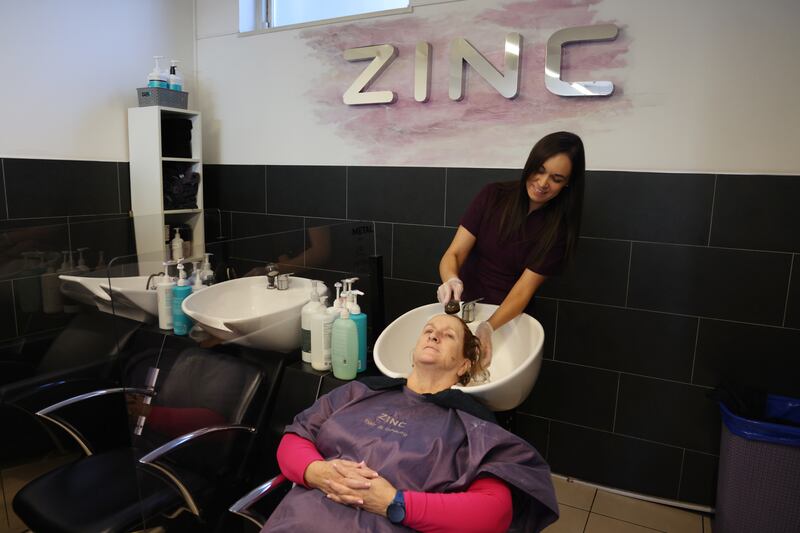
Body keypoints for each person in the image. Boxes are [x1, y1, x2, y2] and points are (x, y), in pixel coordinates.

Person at [262, 314, 558, 533]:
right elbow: (293, 440)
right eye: (429, 330)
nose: (434, 335)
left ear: (465, 365)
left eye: (448, 335)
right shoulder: (358, 393)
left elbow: (494, 512)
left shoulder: (471, 427)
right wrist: (318, 472)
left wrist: (395, 502)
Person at [437, 131, 585, 366]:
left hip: (508, 320)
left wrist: (488, 327)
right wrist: (450, 280)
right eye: (540, 170)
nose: (543, 183)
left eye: (556, 178)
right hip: (464, 309)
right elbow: (453, 254)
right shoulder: (493, 196)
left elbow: (522, 292)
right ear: (530, 164)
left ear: (567, 184)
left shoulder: (558, 230)